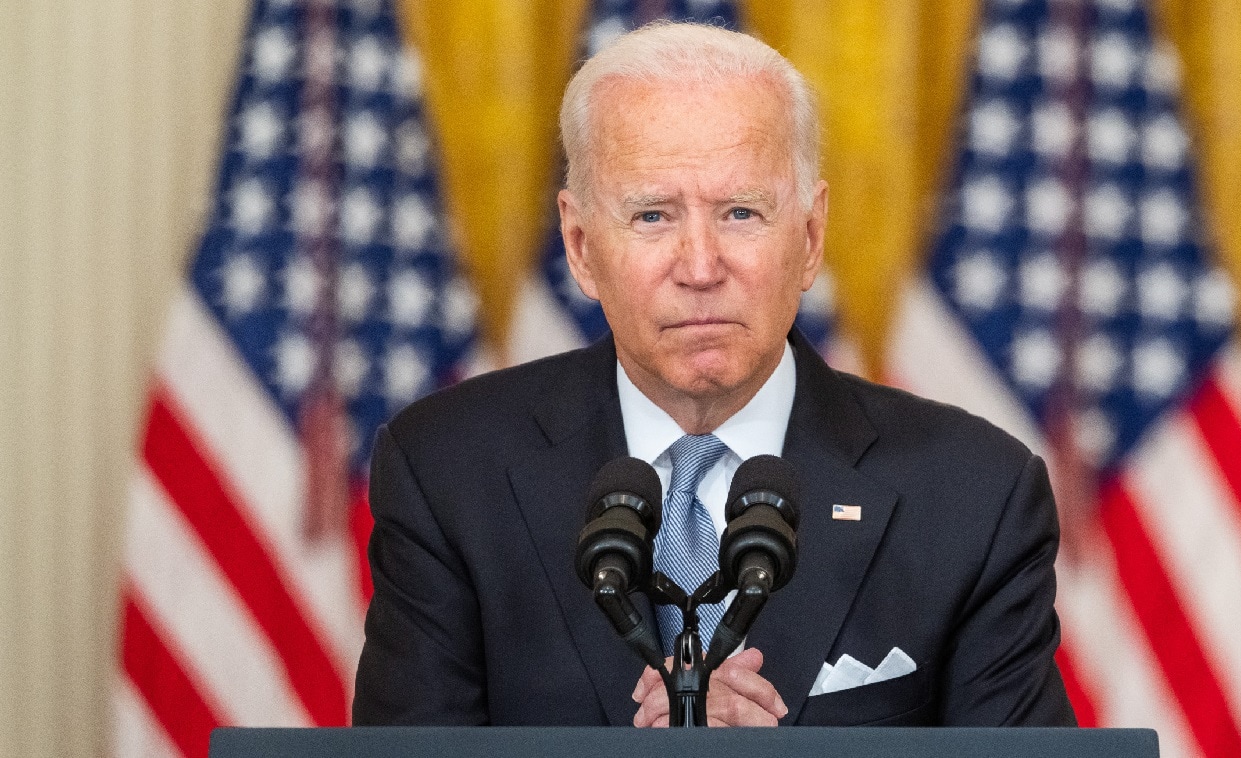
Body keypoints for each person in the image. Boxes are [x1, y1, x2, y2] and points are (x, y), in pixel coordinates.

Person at [353, 21, 1075, 728]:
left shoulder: (975, 496)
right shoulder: (448, 474)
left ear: (810, 237)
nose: (700, 268)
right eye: (653, 216)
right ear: (580, 246)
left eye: (740, 212)